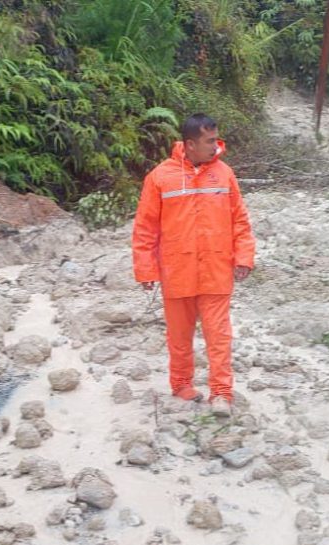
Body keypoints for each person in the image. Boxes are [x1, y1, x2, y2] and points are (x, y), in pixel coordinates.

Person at [131, 113, 256, 417]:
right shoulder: (161, 177)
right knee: (179, 336)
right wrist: (146, 269)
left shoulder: (224, 174)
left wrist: (243, 257)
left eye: (216, 139)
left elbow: (240, 220)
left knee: (219, 336)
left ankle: (222, 393)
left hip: (216, 269)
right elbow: (145, 227)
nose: (216, 146)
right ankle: (181, 384)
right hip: (177, 271)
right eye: (209, 141)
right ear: (190, 144)